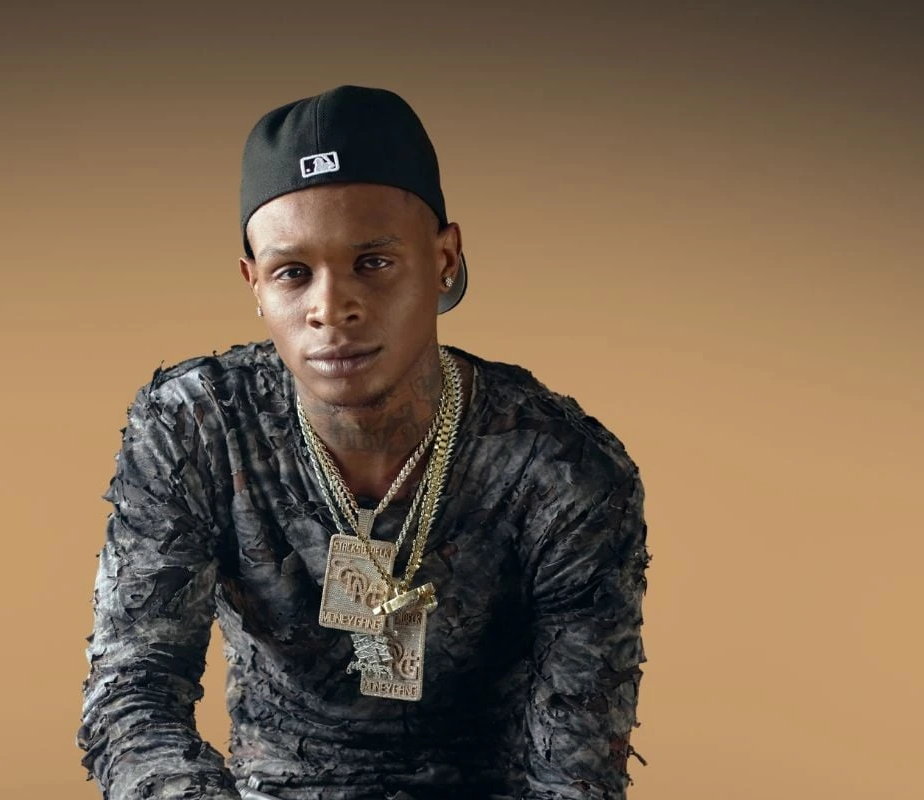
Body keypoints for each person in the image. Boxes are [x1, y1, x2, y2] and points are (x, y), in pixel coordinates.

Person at [76, 85, 651, 800]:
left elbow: (575, 771)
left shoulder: (562, 471)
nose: (331, 308)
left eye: (372, 262)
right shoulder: (196, 429)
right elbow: (133, 693)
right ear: (254, 284)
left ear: (444, 259)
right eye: (293, 273)